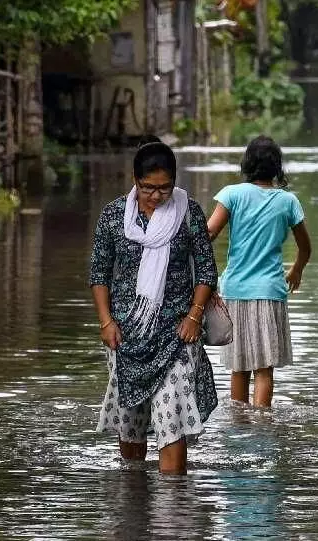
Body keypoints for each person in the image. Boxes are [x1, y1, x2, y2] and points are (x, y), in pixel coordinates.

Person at [90, 136, 219, 475]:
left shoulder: (188, 213)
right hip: (126, 335)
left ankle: (174, 512)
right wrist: (106, 322)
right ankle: (134, 499)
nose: (157, 196)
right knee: (130, 422)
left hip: (177, 333)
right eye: (149, 188)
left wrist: (194, 315)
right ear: (135, 181)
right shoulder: (114, 216)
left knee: (171, 417)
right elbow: (99, 273)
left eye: (165, 188)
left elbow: (207, 270)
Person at [206, 136, 312, 408]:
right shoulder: (288, 201)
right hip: (270, 292)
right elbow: (305, 246)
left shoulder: (232, 194)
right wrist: (296, 269)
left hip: (236, 290)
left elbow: (209, 233)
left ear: (247, 165)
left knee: (239, 366)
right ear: (277, 168)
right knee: (264, 369)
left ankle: (239, 425)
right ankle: (263, 426)